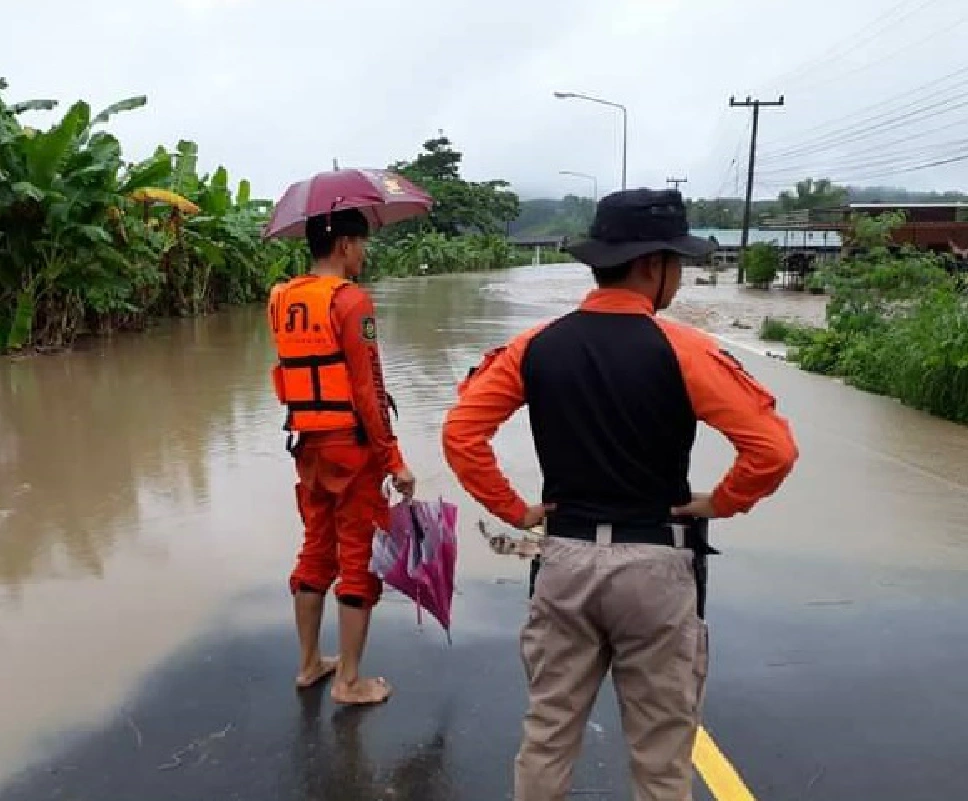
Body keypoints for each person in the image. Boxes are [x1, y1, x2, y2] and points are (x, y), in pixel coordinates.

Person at [441, 188, 799, 801]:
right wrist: (719, 501)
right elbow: (773, 449)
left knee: (548, 734)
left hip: (564, 560)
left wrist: (514, 509)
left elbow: (461, 432)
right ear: (651, 266)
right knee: (661, 756)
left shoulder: (535, 347)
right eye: (678, 264)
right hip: (656, 566)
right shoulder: (686, 350)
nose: (680, 278)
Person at [268, 208, 416, 706]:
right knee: (357, 559)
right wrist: (394, 459)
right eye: (362, 244)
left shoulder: (282, 298)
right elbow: (367, 389)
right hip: (352, 449)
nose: (364, 254)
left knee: (315, 548)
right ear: (345, 247)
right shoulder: (351, 301)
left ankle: (310, 663)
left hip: (307, 443)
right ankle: (349, 682)